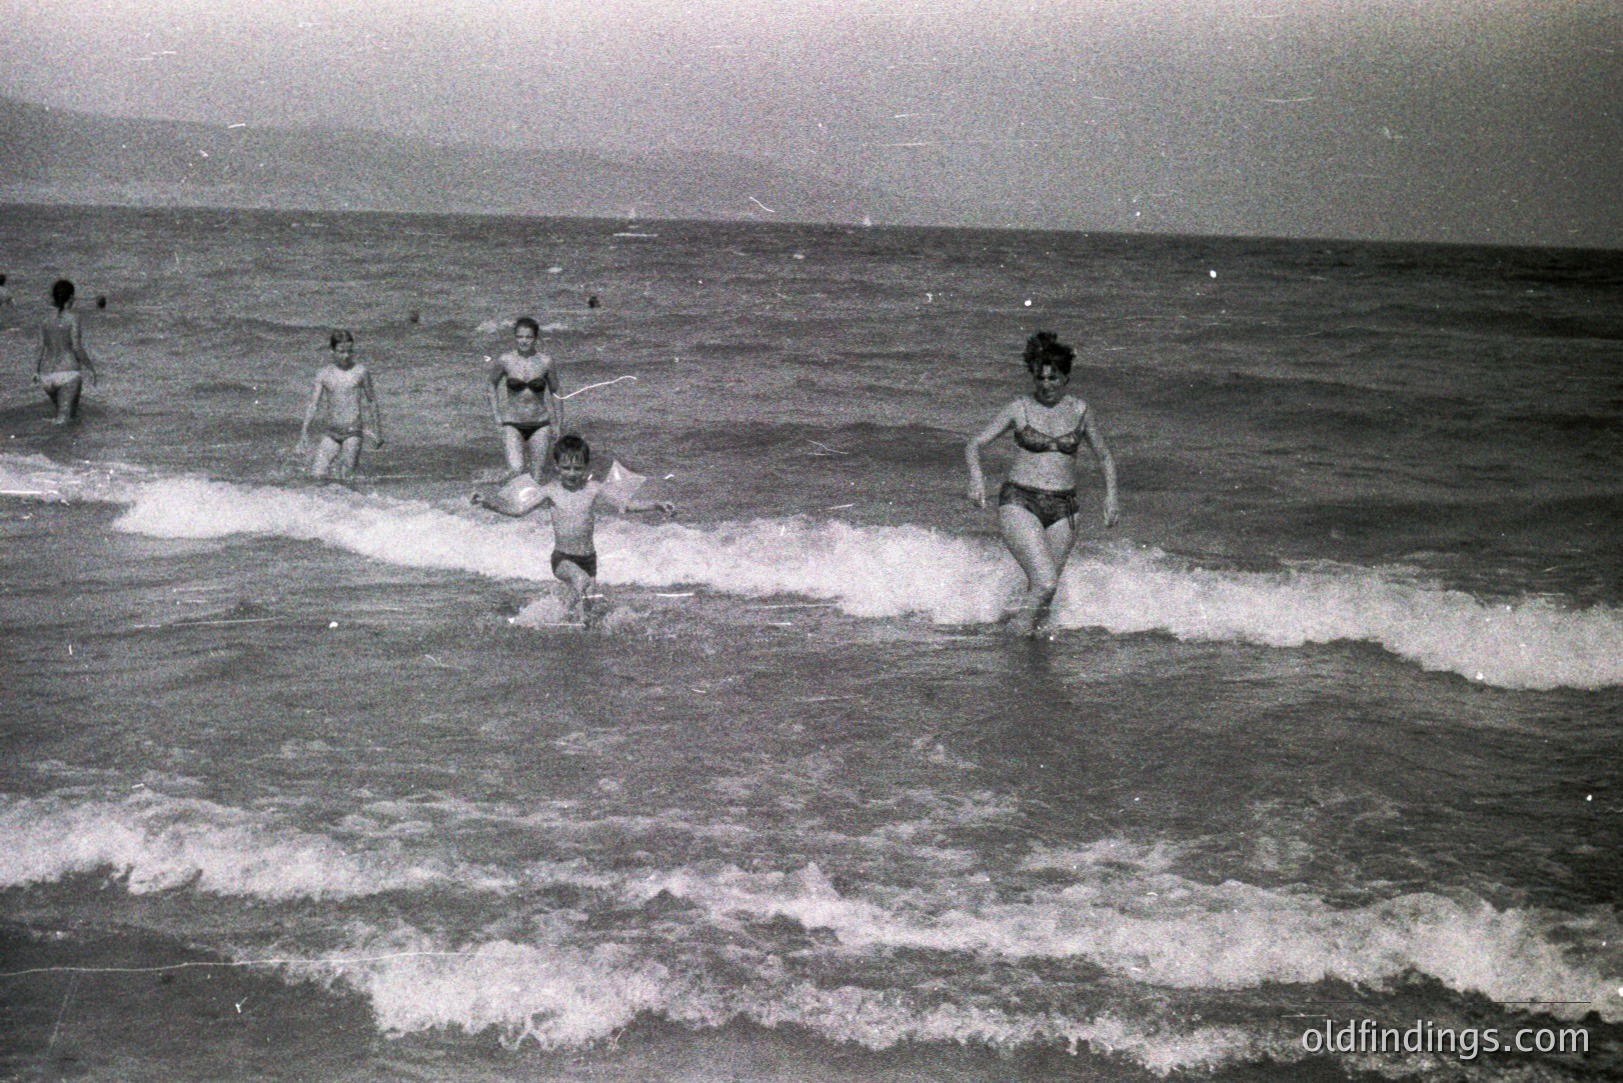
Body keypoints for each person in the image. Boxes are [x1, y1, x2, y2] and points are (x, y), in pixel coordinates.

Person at [966, 330, 1119, 635]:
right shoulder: (1018, 408)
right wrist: (976, 478)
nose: (1046, 385)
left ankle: (1028, 657)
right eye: (1040, 378)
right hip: (1020, 501)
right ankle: (1008, 640)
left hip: (1065, 508)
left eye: (1053, 378)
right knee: (1046, 582)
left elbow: (1104, 456)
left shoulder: (1081, 411)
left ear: (1066, 379)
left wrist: (1111, 497)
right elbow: (974, 444)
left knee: (1045, 593)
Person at [473, 434, 674, 625]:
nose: (571, 473)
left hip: (589, 559)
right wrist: (489, 504)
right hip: (563, 558)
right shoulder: (550, 491)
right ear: (557, 467)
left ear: (586, 468)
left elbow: (625, 505)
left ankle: (578, 627)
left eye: (577, 468)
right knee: (580, 581)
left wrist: (655, 504)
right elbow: (518, 511)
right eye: (566, 468)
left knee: (588, 608)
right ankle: (555, 616)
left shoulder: (593, 489)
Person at [297, 329, 384, 482]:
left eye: (350, 351)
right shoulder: (324, 374)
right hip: (331, 433)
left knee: (346, 478)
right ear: (332, 351)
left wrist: (378, 432)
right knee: (316, 475)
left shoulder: (360, 372)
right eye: (341, 351)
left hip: (353, 432)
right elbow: (313, 404)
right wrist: (304, 433)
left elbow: (372, 401)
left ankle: (354, 503)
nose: (346, 355)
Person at [487, 317, 561, 481]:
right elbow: (491, 385)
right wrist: (496, 415)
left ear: (535, 338)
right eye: (520, 337)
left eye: (528, 337)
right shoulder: (505, 360)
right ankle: (507, 494)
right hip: (512, 423)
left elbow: (556, 392)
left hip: (540, 423)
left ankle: (535, 505)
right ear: (515, 337)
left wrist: (557, 424)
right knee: (516, 468)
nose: (524, 341)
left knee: (537, 476)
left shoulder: (546, 362)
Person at [35, 279, 98, 424]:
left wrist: (35, 370)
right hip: (67, 373)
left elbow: (40, 347)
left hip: (46, 376)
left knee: (66, 418)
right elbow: (76, 347)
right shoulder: (73, 318)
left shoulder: (44, 319)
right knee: (64, 421)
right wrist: (90, 369)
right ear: (71, 297)